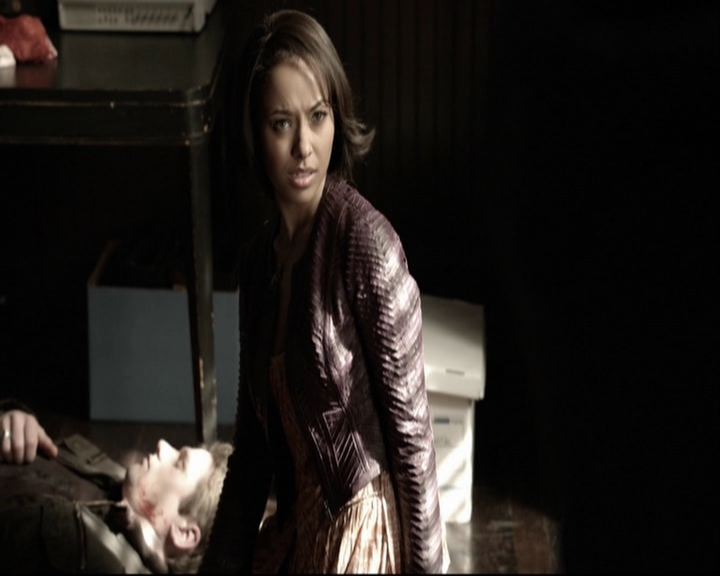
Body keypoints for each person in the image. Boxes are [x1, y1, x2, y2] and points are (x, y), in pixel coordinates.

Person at [200, 9, 449, 574]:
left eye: (318, 117)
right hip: (301, 526)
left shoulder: (366, 244)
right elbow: (252, 458)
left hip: (366, 533)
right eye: (281, 124)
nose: (304, 147)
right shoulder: (259, 264)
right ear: (254, 134)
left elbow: (413, 440)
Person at [0, 399, 233, 573]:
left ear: (184, 533)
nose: (163, 445)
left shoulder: (100, 558)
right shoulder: (116, 481)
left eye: (179, 463)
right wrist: (15, 421)